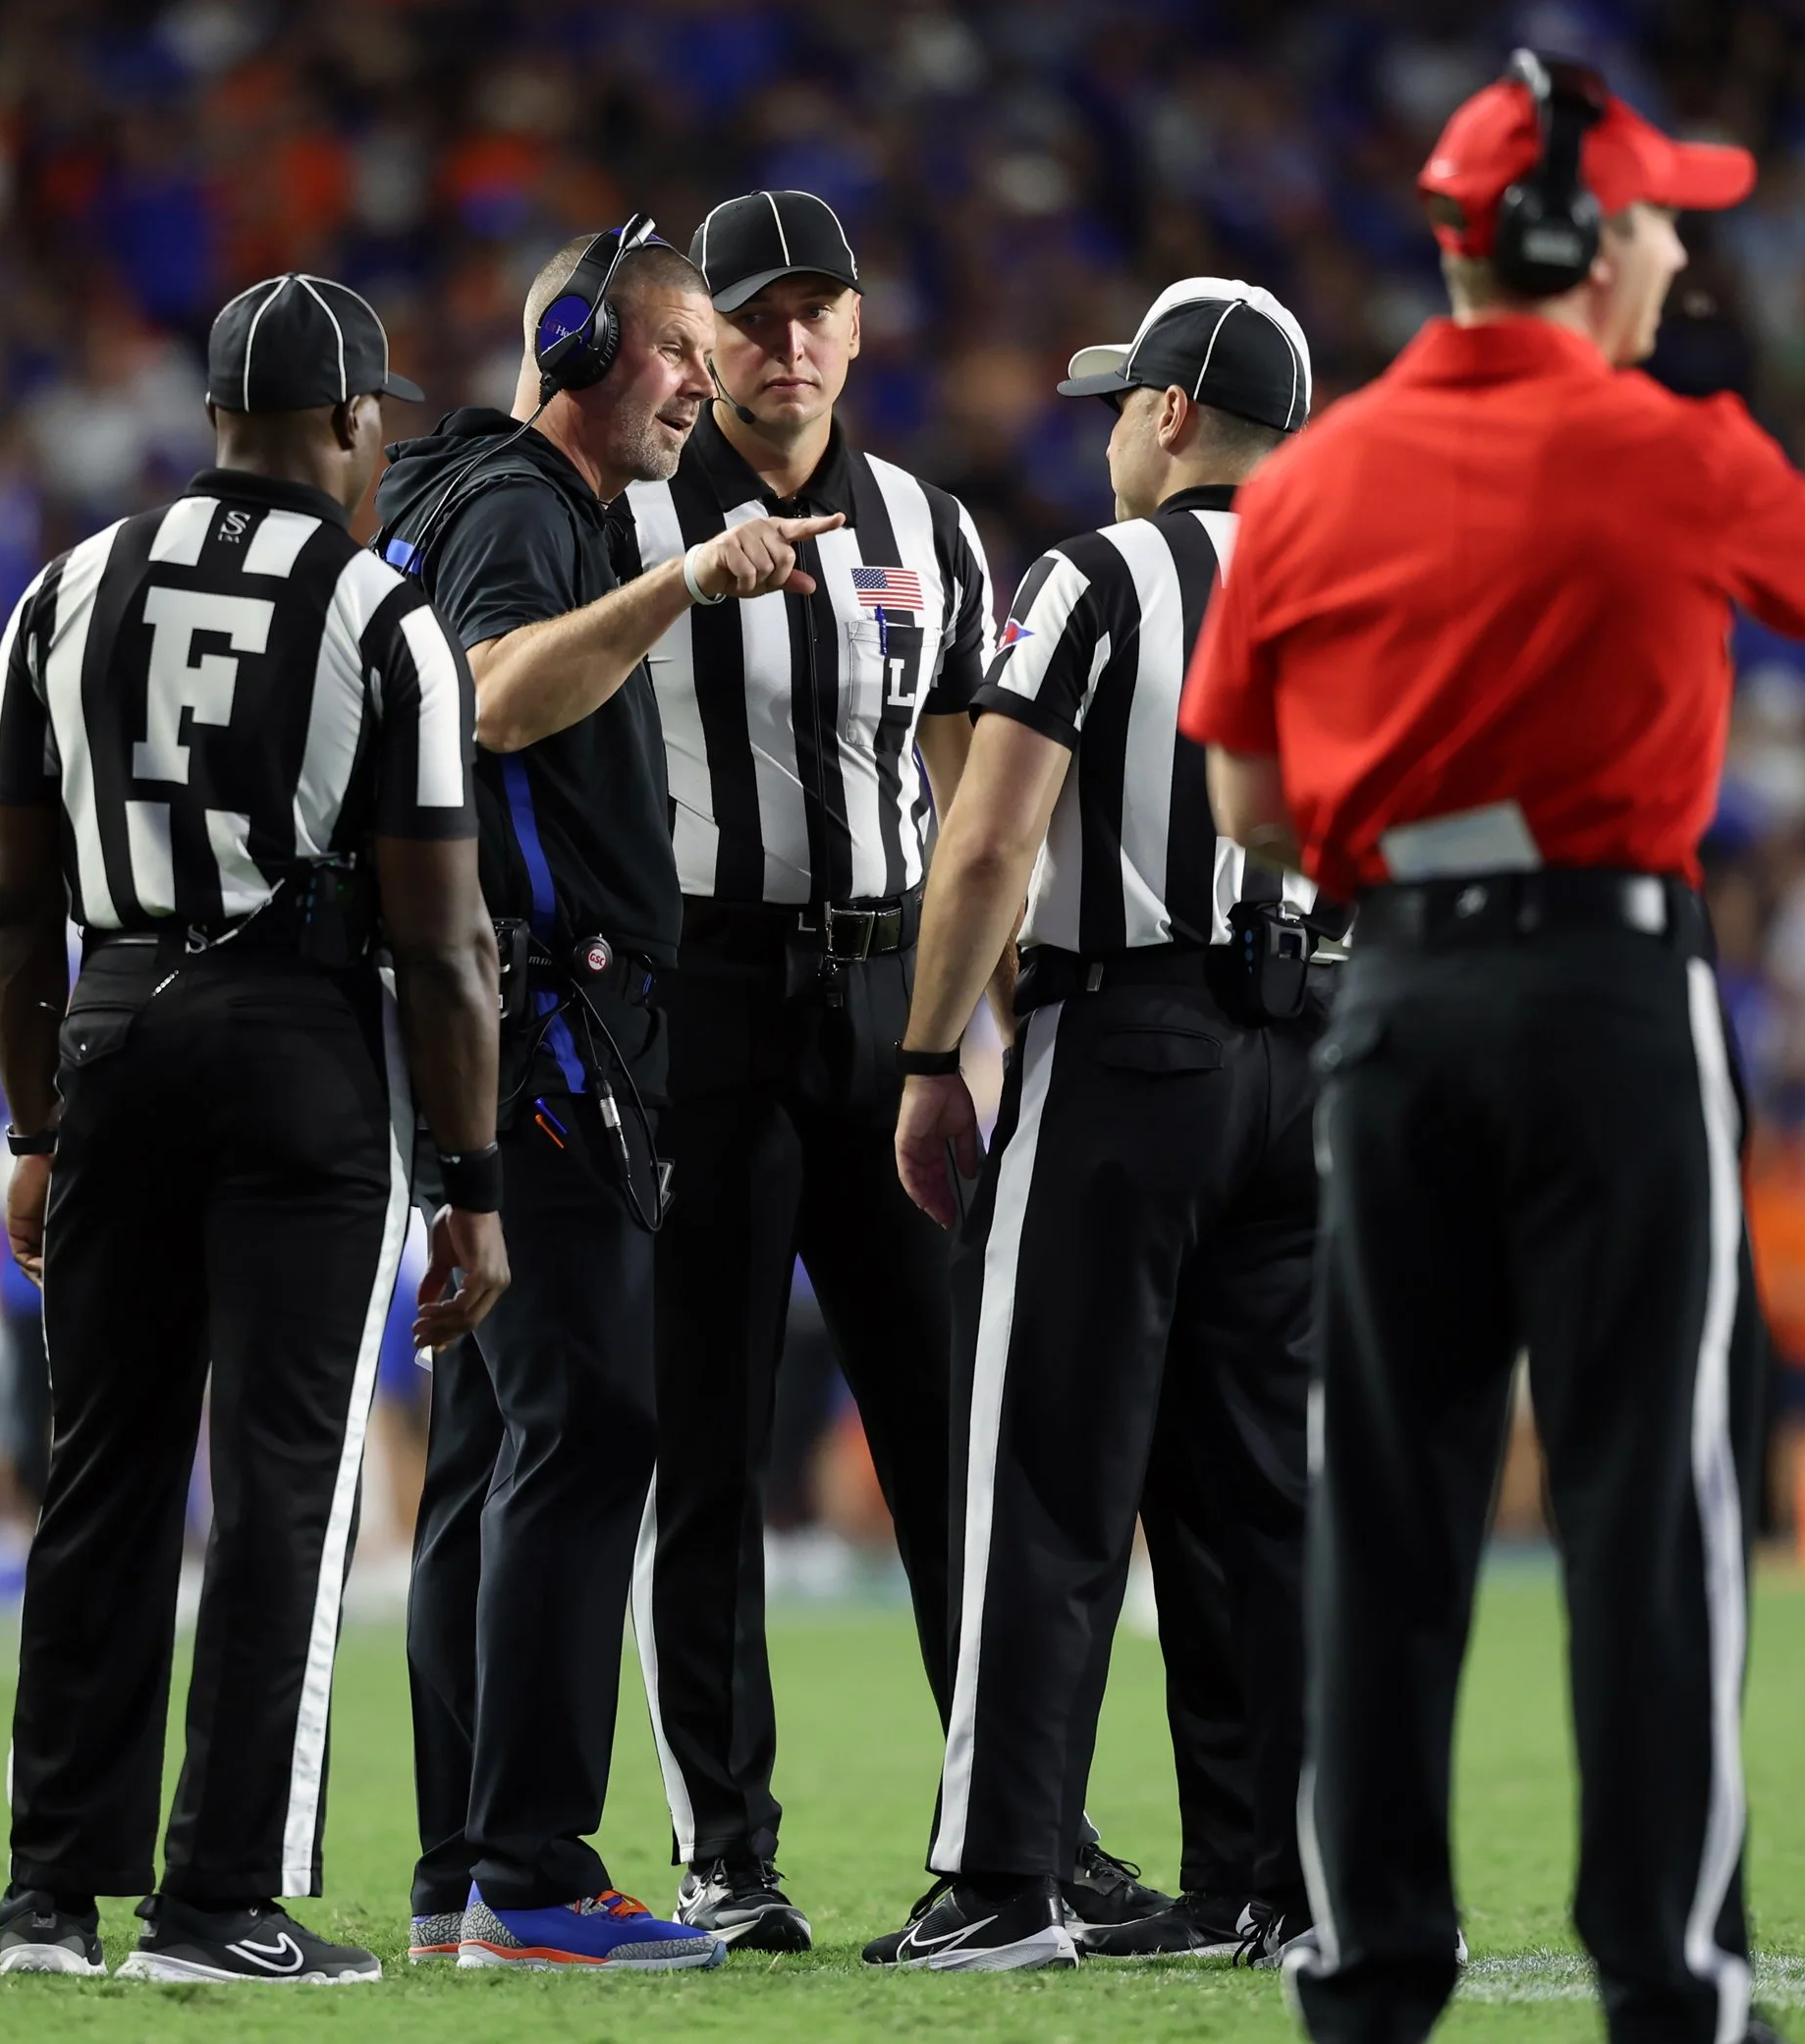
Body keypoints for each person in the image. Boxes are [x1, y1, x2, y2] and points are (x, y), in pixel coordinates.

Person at [1178, 54, 1805, 2044]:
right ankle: (1668, 1980)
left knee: (1381, 1507)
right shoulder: (1670, 444)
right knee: (1647, 1505)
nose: (1668, 251)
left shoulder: (1308, 477)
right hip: (1610, 1001)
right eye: (1653, 220)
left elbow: (1244, 812)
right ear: (1576, 238)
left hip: (1388, 1009)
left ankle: (1366, 1975)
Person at [0, 272, 507, 1985]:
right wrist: (472, 1179)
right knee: (287, 1480)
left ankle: (52, 1895)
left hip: (117, 1022)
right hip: (300, 1040)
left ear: (216, 418)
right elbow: (442, 939)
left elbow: (9, 912)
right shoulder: (379, 613)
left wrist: (34, 1123)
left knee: (105, 1473)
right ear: (355, 423)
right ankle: (219, 1901)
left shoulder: (64, 590)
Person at [376, 216, 836, 1971]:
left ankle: (456, 1868)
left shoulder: (453, 494)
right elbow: (493, 702)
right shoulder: (520, 510)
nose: (703, 389)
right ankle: (535, 1876)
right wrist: (682, 584)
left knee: (498, 1449)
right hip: (551, 1022)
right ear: (574, 345)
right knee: (586, 1427)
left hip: (506, 1014)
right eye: (677, 356)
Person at [863, 277, 1329, 1972]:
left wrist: (931, 1058)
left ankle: (999, 1881)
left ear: (1174, 411)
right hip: (1315, 1053)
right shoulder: (1365, 587)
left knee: (1045, 1473)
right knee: (1257, 1489)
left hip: (1131, 1045)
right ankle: (1271, 1878)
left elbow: (989, 842)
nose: (1114, 427)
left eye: (1128, 398)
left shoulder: (1094, 577)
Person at [607, 188, 1020, 1951]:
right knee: (704, 1439)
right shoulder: (628, 509)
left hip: (881, 1008)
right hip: (696, 1000)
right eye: (754, 317)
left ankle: (1010, 1836)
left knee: (951, 1440)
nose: (787, 343)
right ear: (706, 340)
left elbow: (968, 786)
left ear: (859, 330)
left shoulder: (935, 524)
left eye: (815, 312)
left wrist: (969, 1025)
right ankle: (727, 1852)